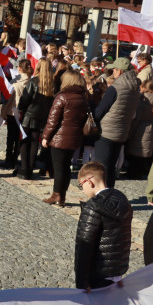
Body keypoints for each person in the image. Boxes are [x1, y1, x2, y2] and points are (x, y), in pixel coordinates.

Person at [73, 161, 132, 290]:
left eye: (81, 185)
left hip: (98, 273)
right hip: (116, 271)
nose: (82, 190)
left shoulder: (93, 206)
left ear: (89, 182)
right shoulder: (122, 199)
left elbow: (84, 245)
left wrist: (81, 281)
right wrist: (118, 274)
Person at [40, 70, 89, 206]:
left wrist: (45, 137)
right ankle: (62, 195)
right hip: (74, 137)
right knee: (66, 167)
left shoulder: (62, 97)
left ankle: (57, 195)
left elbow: (53, 120)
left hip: (60, 137)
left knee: (59, 167)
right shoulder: (83, 97)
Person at [92, 57, 140, 188]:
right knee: (111, 167)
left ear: (120, 71)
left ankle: (101, 196)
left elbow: (100, 110)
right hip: (122, 131)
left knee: (101, 167)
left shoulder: (116, 87)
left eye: (114, 69)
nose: (113, 71)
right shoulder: (136, 87)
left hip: (107, 131)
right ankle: (109, 192)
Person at [16, 58, 55, 180]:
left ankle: (25, 169)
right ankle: (30, 168)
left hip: (29, 116)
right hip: (42, 117)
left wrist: (20, 107)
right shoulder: (52, 84)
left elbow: (25, 99)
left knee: (24, 143)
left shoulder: (33, 82)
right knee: (34, 143)